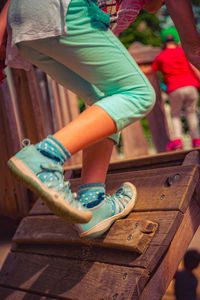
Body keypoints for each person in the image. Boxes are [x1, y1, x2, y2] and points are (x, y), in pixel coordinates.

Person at [0, 0, 200, 238]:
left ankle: (92, 203)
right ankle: (45, 158)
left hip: (28, 22)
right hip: (61, 11)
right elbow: (194, 48)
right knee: (140, 94)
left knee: (106, 96)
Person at [151, 27, 200, 151]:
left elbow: (152, 70)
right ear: (177, 40)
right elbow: (194, 67)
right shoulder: (184, 52)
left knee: (175, 114)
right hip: (191, 86)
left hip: (175, 89)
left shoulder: (161, 57)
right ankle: (197, 140)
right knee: (191, 112)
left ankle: (177, 141)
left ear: (163, 42)